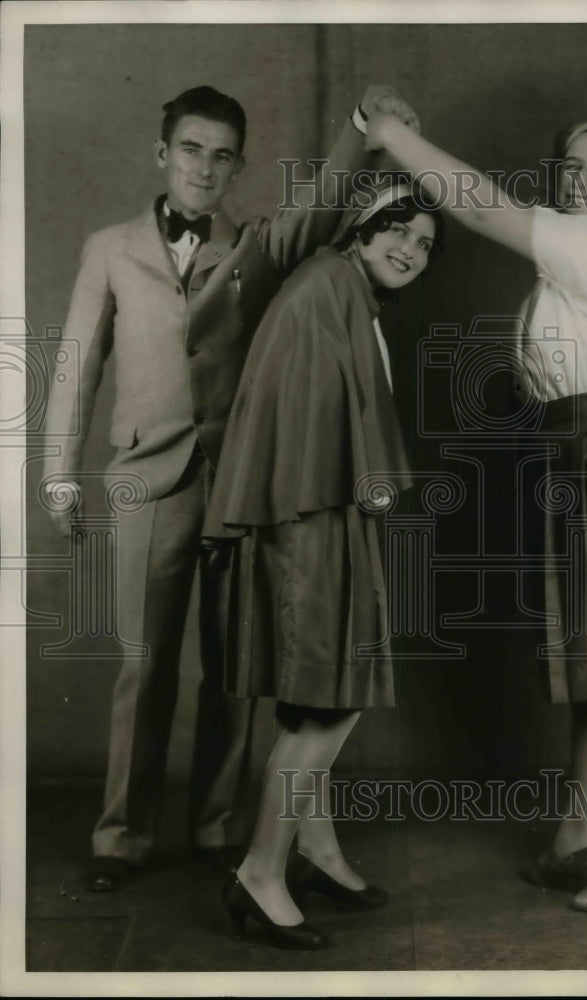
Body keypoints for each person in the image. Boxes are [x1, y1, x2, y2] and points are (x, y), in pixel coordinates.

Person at [43, 82, 420, 893]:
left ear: (238, 166)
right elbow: (76, 366)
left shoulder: (254, 245)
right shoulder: (109, 248)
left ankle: (216, 827)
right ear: (162, 154)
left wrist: (361, 129)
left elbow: (321, 208)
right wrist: (58, 475)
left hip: (237, 483)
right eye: (190, 149)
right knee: (144, 667)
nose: (204, 168)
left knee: (232, 669)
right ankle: (121, 836)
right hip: (145, 481)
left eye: (222, 156)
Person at [365, 110, 587, 912]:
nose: (579, 180)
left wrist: (390, 133)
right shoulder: (575, 254)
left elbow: (480, 205)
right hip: (573, 447)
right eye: (569, 166)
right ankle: (579, 832)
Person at [201, 179, 443, 949]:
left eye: (424, 243)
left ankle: (316, 851)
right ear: (361, 229)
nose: (409, 249)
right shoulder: (327, 285)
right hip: (311, 516)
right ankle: (259, 873)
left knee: (320, 697)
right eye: (397, 230)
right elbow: (307, 419)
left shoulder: (339, 288)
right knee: (331, 699)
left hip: (315, 509)